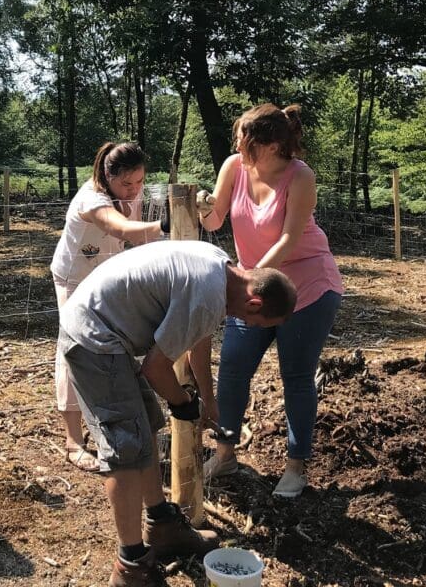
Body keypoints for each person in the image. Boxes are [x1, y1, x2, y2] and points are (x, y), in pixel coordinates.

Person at [58, 239, 296, 586]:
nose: (251, 326)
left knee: (147, 427)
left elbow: (195, 340)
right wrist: (183, 405)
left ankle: (162, 525)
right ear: (254, 301)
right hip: (93, 337)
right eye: (256, 322)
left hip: (108, 331)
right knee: (124, 449)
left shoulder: (220, 268)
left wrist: (206, 399)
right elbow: (156, 368)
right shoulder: (207, 297)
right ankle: (131, 566)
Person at [197, 103, 343, 499]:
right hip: (253, 288)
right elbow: (214, 221)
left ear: (271, 142)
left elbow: (289, 239)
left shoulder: (300, 176)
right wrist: (204, 206)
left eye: (244, 138)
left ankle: (295, 467)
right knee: (232, 369)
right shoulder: (234, 167)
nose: (237, 144)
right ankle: (225, 453)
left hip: (307, 288)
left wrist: (246, 279)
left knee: (295, 376)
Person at [50, 142, 167, 472]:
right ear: (107, 175)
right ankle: (73, 441)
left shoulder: (135, 192)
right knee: (72, 350)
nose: (133, 190)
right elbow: (120, 228)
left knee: (115, 346)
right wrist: (167, 227)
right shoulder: (92, 198)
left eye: (139, 182)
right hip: (75, 280)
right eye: (126, 184)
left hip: (106, 279)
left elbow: (136, 236)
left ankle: (118, 420)